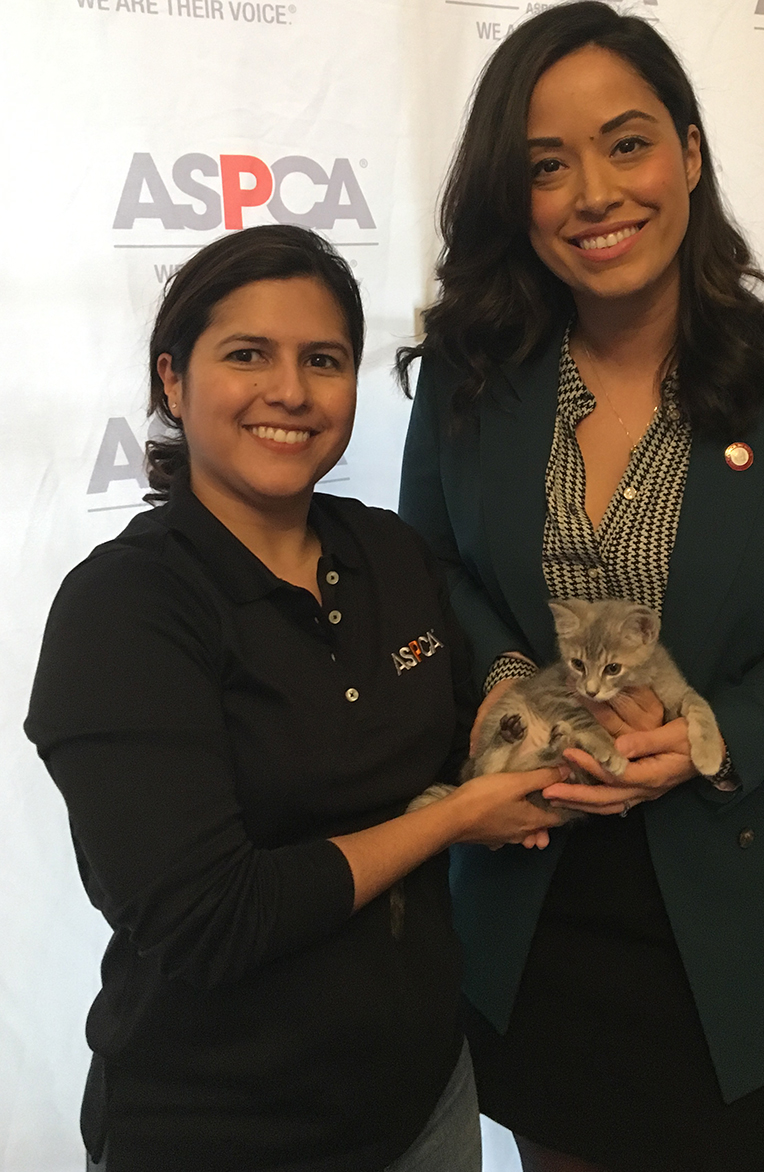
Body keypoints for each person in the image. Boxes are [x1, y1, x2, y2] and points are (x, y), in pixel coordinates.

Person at [397, 4, 764, 1171]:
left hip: (749, 898)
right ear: (511, 198)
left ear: (688, 149)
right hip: (534, 905)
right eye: (544, 164)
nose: (592, 192)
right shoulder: (471, 379)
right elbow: (436, 567)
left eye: (626, 143)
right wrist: (515, 681)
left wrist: (714, 732)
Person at [24, 224, 566, 1172]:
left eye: (324, 359)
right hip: (221, 1126)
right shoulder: (125, 609)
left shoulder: (391, 554)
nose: (290, 391)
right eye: (247, 355)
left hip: (426, 1101)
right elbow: (212, 917)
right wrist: (455, 819)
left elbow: (448, 751)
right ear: (172, 382)